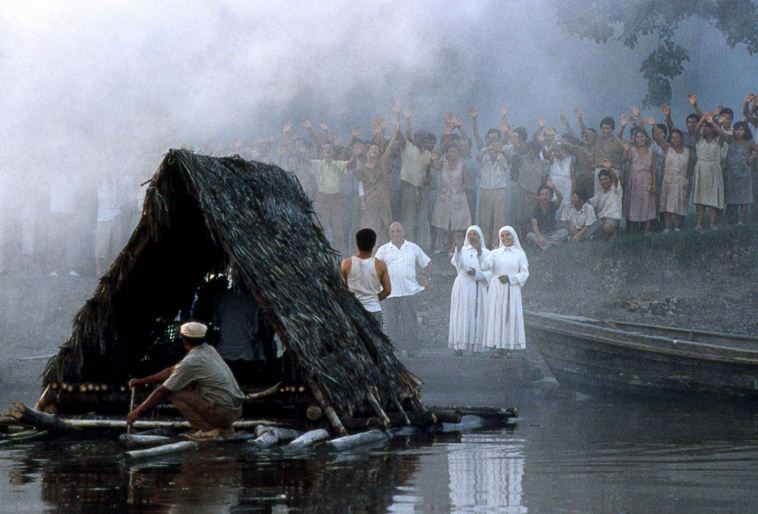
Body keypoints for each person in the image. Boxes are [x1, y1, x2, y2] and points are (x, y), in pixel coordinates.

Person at [127, 321, 246, 442]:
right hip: (236, 410)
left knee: (175, 392)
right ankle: (224, 429)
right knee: (185, 387)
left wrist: (137, 412)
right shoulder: (209, 349)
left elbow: (162, 391)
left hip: (223, 413)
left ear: (184, 340)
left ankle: (208, 431)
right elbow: (173, 370)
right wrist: (142, 381)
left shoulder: (191, 361)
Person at [374, 222, 432, 350]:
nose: (396, 234)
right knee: (391, 323)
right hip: (390, 292)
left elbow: (427, 262)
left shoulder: (413, 248)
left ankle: (412, 350)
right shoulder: (383, 250)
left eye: (398, 231)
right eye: (393, 231)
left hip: (409, 291)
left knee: (410, 321)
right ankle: (394, 350)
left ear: (403, 232)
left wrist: (427, 279)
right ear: (389, 234)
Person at [481, 226, 529, 352]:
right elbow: (485, 266)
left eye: (508, 235)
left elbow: (525, 273)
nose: (505, 238)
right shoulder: (494, 253)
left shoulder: (520, 254)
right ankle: (497, 346)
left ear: (513, 236)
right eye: (502, 235)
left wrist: (510, 278)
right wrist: (480, 253)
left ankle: (508, 347)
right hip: (496, 288)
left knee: (510, 315)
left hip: (512, 288)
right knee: (496, 315)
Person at [449, 225, 491, 354]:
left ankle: (476, 346)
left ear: (479, 236)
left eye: (475, 234)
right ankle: (459, 345)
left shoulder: (487, 252)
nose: (472, 237)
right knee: (461, 314)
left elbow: (490, 272)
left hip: (478, 286)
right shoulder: (462, 250)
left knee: (477, 315)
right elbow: (457, 264)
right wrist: (457, 251)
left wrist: (477, 273)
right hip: (463, 286)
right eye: (470, 234)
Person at [340, 228, 391, 326]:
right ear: (374, 243)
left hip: (353, 310)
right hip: (374, 309)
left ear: (357, 243)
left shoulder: (346, 264)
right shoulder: (380, 265)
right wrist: (373, 299)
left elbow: (342, 288)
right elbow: (387, 290)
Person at [712, 120, 757, 225]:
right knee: (732, 199)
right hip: (731, 174)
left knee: (744, 199)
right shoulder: (731, 140)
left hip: (744, 175)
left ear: (745, 131)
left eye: (741, 130)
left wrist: (752, 157)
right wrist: (712, 122)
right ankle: (731, 220)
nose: (738, 132)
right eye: (736, 129)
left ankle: (741, 221)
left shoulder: (749, 142)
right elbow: (721, 132)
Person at [432, 146, 471, 253]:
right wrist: (436, 155)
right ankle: (441, 246)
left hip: (458, 197)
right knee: (440, 221)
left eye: (454, 151)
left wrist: (461, 189)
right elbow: (433, 164)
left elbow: (467, 181)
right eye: (449, 151)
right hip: (443, 197)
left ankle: (454, 246)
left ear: (458, 153)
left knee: (457, 223)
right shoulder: (442, 164)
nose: (451, 154)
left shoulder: (462, 165)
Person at [692, 113, 726, 229]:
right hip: (701, 169)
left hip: (713, 169)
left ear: (712, 129)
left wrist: (712, 123)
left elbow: (722, 134)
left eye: (707, 127)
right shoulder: (699, 140)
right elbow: (696, 129)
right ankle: (698, 224)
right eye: (704, 126)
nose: (704, 128)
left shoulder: (718, 141)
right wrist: (703, 118)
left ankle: (712, 223)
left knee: (713, 197)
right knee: (700, 198)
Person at [653, 128, 692, 232]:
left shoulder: (687, 151)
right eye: (673, 138)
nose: (675, 140)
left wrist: (686, 180)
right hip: (669, 181)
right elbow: (658, 138)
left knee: (680, 203)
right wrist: (654, 125)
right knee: (667, 205)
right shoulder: (667, 149)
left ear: (681, 138)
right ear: (670, 140)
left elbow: (690, 168)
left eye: (677, 137)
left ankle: (677, 227)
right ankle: (667, 227)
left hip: (681, 181)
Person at [622, 128, 657, 233]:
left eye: (642, 136)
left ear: (646, 138)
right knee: (634, 204)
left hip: (646, 180)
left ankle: (646, 229)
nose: (640, 139)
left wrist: (654, 184)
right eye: (637, 137)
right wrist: (626, 150)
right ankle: (634, 230)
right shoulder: (632, 150)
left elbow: (653, 170)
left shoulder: (651, 152)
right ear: (634, 139)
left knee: (647, 204)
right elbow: (624, 160)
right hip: (634, 181)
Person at [526, 181, 567, 250]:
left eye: (546, 194)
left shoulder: (553, 205)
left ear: (551, 196)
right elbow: (535, 226)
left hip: (551, 234)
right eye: (542, 194)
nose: (544, 196)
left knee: (564, 232)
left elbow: (560, 198)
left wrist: (554, 188)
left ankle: (545, 245)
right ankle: (551, 244)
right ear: (539, 197)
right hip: (539, 234)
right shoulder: (535, 209)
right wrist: (539, 237)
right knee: (529, 235)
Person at [588, 169, 622, 240]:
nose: (603, 182)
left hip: (612, 220)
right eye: (601, 180)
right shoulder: (600, 193)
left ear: (610, 179)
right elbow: (590, 202)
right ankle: (595, 236)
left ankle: (596, 236)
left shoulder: (616, 190)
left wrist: (609, 167)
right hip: (600, 220)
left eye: (606, 179)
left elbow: (615, 179)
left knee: (608, 226)